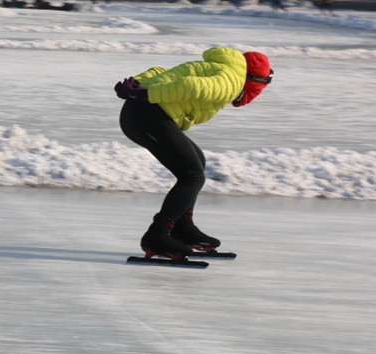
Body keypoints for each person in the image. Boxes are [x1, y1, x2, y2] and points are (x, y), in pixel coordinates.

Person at [114, 47, 273, 259]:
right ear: (256, 82)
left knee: (197, 160)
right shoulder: (231, 81)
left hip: (143, 113)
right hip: (146, 116)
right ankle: (157, 235)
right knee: (192, 175)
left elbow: (161, 71)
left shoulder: (223, 69)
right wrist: (147, 93)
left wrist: (137, 83)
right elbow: (191, 85)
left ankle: (183, 228)